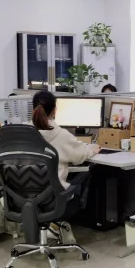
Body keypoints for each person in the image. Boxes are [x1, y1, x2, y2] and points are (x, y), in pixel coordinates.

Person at [29, 91, 101, 238]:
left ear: (32, 109)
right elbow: (80, 156)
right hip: (52, 200)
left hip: (24, 198)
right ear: (55, 111)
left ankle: (53, 227)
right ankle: (57, 225)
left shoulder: (22, 132)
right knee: (88, 172)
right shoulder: (61, 135)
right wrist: (92, 149)